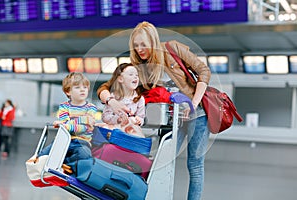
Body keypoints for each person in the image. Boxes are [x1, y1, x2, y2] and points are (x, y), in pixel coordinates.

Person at [97, 21, 211, 200]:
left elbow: (203, 71)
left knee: (195, 164)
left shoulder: (173, 49)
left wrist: (194, 102)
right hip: (171, 120)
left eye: (143, 44)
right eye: (136, 46)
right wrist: (111, 100)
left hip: (198, 114)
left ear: (153, 40)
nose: (140, 49)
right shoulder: (138, 68)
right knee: (162, 161)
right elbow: (105, 87)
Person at [39, 72, 99, 164]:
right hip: (64, 139)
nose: (82, 90)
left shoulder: (91, 108)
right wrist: (84, 119)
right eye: (77, 87)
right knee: (42, 155)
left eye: (85, 87)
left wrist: (67, 125)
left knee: (85, 155)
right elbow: (66, 125)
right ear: (68, 92)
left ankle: (65, 163)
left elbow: (85, 128)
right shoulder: (64, 106)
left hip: (82, 142)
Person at [98, 63, 145, 138]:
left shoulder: (140, 99)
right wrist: (118, 119)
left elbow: (141, 117)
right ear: (120, 79)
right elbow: (105, 117)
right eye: (131, 74)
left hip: (131, 131)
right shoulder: (113, 97)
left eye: (137, 75)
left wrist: (139, 120)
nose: (135, 77)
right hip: (115, 130)